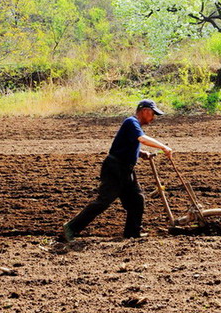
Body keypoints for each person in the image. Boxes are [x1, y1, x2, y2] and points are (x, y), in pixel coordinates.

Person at [61, 99, 173, 242]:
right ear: (145, 111)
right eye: (153, 114)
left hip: (126, 169)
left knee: (137, 200)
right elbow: (142, 139)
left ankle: (132, 233)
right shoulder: (131, 122)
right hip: (115, 168)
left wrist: (141, 153)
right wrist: (164, 147)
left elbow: (126, 144)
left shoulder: (133, 125)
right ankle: (71, 227)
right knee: (103, 201)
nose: (153, 118)